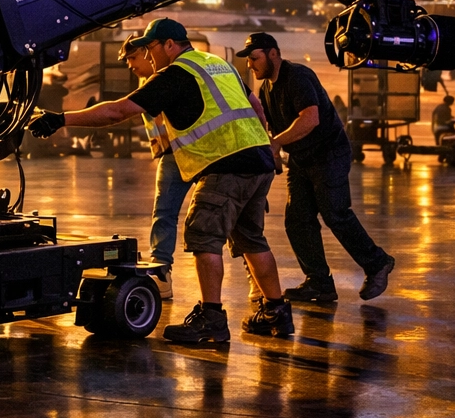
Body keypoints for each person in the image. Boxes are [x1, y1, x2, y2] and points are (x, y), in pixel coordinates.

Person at [30, 18, 293, 344]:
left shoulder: (175, 74)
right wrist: (266, 143)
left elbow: (117, 112)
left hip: (227, 163)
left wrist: (61, 119)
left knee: (203, 235)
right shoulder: (217, 64)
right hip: (259, 160)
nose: (148, 55)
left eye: (151, 47)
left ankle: (211, 318)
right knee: (251, 238)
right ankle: (276, 311)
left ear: (169, 45)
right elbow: (254, 103)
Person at [241, 32, 395, 305]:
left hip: (329, 153)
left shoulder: (298, 76)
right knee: (297, 220)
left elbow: (310, 119)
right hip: (301, 160)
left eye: (254, 58)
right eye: (249, 60)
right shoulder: (266, 90)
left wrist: (276, 143)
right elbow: (270, 132)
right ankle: (320, 283)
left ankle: (377, 263)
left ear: (273, 54)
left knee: (335, 213)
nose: (250, 65)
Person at [121, 37, 183, 300]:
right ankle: (161, 272)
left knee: (167, 212)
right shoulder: (145, 82)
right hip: (172, 153)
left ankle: (160, 271)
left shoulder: (171, 77)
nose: (130, 65)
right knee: (164, 211)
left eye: (134, 58)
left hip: (192, 151)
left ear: (149, 54)